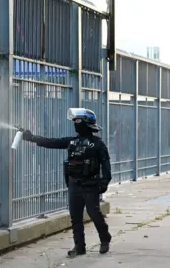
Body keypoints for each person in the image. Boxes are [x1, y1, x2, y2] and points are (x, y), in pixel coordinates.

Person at [21, 108, 112, 257]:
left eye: (78, 120)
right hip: (74, 184)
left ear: (87, 122)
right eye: (74, 121)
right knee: (75, 217)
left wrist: (105, 181)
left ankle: (104, 238)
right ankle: (79, 246)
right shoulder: (72, 142)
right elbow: (52, 142)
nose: (75, 123)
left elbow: (106, 164)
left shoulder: (98, 144)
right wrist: (32, 138)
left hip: (90, 185)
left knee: (94, 213)